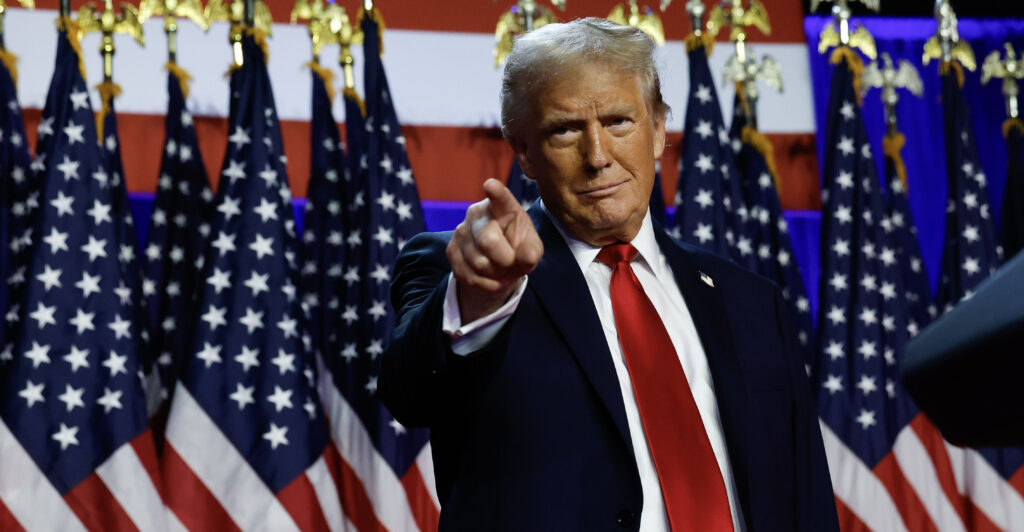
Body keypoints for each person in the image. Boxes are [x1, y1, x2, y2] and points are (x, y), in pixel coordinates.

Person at [380, 17, 838, 532]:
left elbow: (804, 496)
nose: (598, 157)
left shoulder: (750, 300)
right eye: (565, 130)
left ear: (660, 128)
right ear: (524, 152)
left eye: (619, 121)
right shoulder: (467, 274)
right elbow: (409, 393)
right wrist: (480, 299)